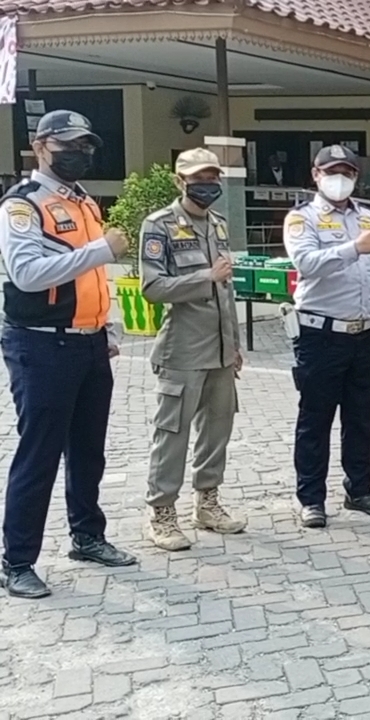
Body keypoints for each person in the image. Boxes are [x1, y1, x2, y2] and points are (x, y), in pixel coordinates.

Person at [0, 110, 136, 598]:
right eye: (69, 145)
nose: (80, 152)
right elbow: (29, 273)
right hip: (41, 343)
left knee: (88, 451)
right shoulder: (23, 205)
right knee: (40, 454)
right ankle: (16, 561)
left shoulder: (83, 203)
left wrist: (104, 325)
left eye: (86, 145)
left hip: (88, 343)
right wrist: (104, 250)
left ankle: (88, 536)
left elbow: (87, 278)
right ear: (41, 147)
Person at [284, 145, 370, 529]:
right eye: (332, 172)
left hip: (366, 335)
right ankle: (312, 498)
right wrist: (352, 248)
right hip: (322, 334)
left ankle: (360, 490)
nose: (340, 179)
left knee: (361, 417)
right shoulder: (303, 219)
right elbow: (306, 264)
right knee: (315, 419)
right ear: (316, 175)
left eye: (347, 172)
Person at [139, 147, 246, 551]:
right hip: (182, 350)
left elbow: (226, 291)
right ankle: (162, 513)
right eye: (199, 178)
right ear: (180, 181)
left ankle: (208, 503)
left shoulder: (217, 225)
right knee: (173, 434)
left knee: (217, 429)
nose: (208, 185)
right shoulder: (160, 225)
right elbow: (152, 287)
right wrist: (205, 275)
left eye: (213, 177)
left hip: (219, 349)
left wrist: (233, 344)